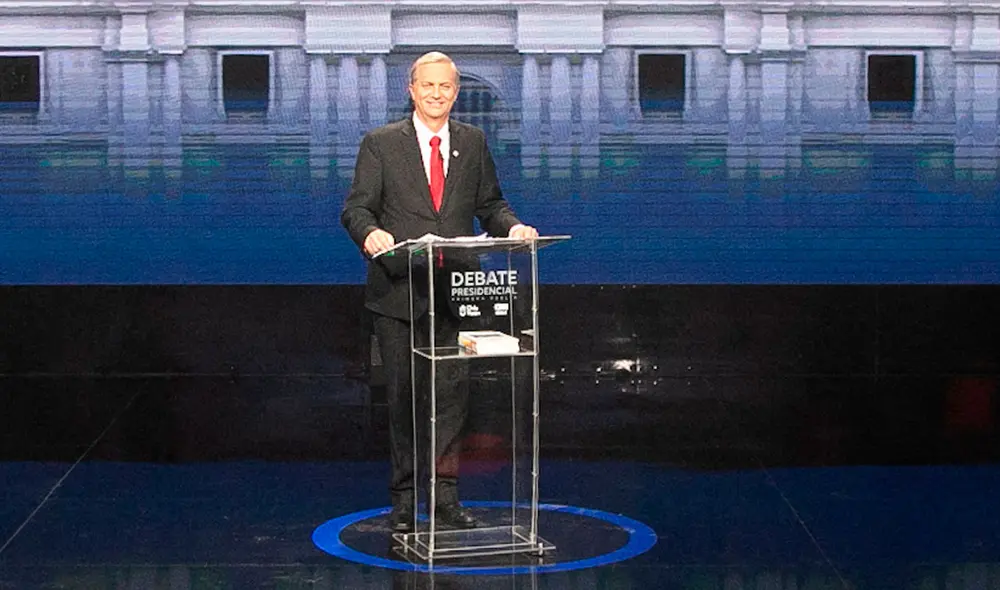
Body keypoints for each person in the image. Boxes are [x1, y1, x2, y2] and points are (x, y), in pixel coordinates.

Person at [341, 51, 538, 533]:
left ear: (456, 92)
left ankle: (446, 500)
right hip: (398, 295)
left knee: (451, 402)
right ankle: (404, 503)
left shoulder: (472, 142)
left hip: (456, 294)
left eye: (445, 86)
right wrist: (371, 234)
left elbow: (491, 205)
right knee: (404, 401)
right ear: (411, 90)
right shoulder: (380, 144)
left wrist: (513, 227)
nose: (436, 94)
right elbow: (357, 210)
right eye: (427, 85)